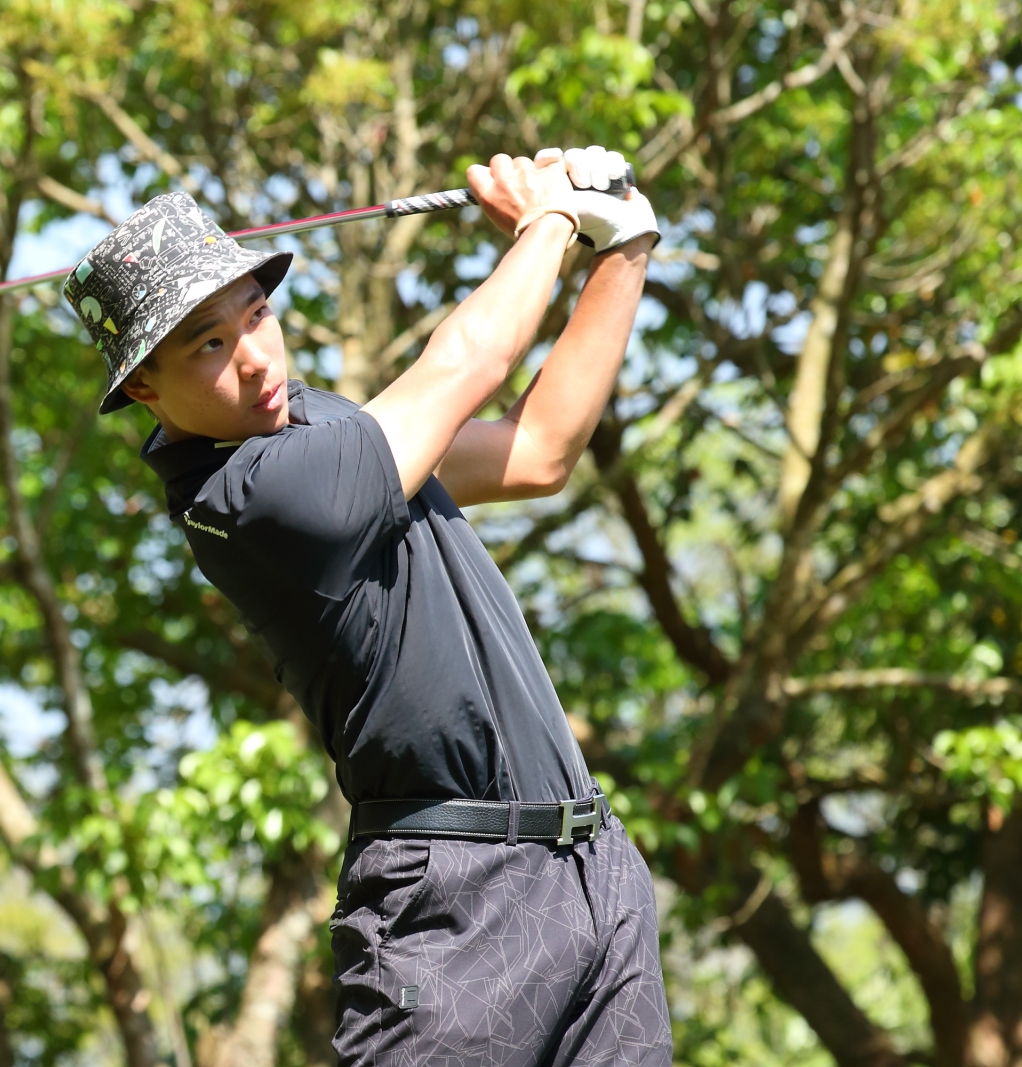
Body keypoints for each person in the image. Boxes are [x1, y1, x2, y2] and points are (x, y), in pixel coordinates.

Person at [63, 146, 669, 1066]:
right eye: (209, 346)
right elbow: (470, 357)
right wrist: (549, 218)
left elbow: (541, 450)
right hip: (455, 901)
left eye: (256, 316)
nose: (256, 358)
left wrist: (623, 243)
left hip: (591, 865)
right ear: (145, 387)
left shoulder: (332, 431)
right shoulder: (257, 495)